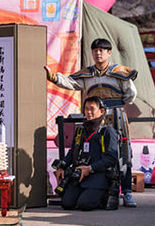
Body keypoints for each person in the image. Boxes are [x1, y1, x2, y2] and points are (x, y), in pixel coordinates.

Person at [45, 38, 138, 208]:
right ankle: (97, 189)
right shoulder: (88, 74)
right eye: (95, 50)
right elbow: (72, 83)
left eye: (102, 50)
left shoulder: (120, 72)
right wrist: (53, 78)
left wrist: (115, 105)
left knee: (123, 151)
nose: (98, 53)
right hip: (94, 117)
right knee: (93, 151)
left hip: (116, 113)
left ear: (109, 53)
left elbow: (131, 95)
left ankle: (127, 192)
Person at [55, 96, 118, 211]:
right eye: (86, 109)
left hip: (98, 176)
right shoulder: (81, 130)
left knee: (85, 204)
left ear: (101, 111)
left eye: (92, 109)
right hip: (79, 175)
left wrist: (90, 168)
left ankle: (105, 196)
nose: (88, 112)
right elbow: (72, 151)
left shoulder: (107, 131)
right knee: (66, 204)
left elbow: (112, 159)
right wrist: (62, 167)